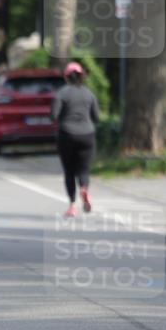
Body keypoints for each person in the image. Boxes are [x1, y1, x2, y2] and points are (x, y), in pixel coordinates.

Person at [51, 61, 100, 218]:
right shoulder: (89, 94)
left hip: (67, 134)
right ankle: (84, 188)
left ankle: (72, 205)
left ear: (66, 77)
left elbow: (53, 116)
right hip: (87, 135)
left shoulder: (61, 93)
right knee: (84, 169)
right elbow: (96, 117)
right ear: (82, 77)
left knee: (69, 171)